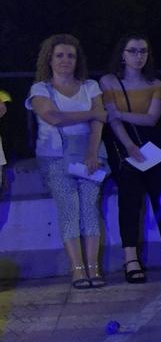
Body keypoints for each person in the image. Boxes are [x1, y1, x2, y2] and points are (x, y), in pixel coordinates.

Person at [100, 34, 161, 283]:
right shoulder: (109, 81)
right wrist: (129, 145)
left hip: (155, 147)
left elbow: (151, 118)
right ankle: (131, 258)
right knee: (129, 203)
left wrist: (121, 113)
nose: (139, 56)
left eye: (143, 51)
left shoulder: (155, 83)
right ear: (122, 54)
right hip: (125, 147)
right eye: (133, 51)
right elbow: (112, 119)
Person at [29, 33, 107, 288]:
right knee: (69, 208)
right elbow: (52, 116)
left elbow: (98, 122)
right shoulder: (41, 88)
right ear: (49, 59)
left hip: (89, 153)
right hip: (55, 157)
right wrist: (92, 112)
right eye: (60, 55)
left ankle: (94, 268)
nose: (65, 60)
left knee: (89, 207)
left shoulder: (90, 86)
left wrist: (93, 153)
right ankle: (77, 269)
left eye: (70, 56)